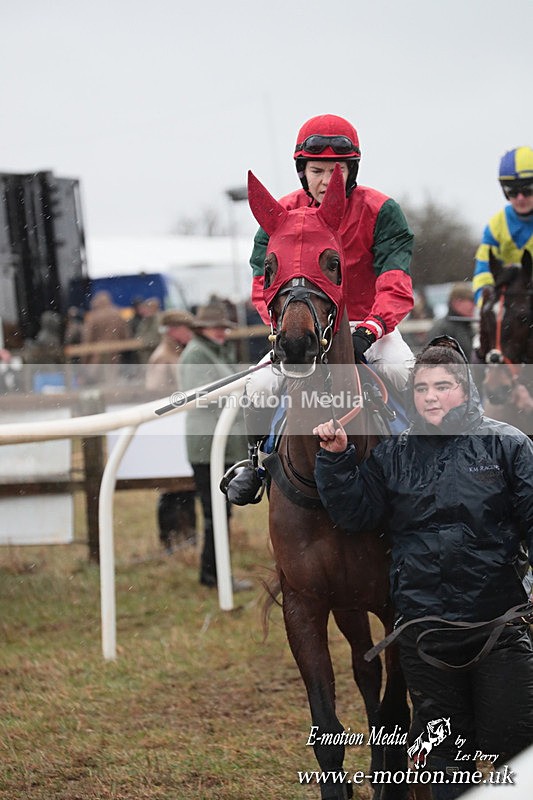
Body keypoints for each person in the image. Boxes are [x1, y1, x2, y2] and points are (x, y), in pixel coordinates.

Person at [313, 336, 533, 796]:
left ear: (466, 389)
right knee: (445, 757)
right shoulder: (392, 454)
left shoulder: (508, 445)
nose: (431, 396)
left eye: (443, 386)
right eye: (422, 388)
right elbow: (356, 514)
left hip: (500, 626)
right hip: (425, 632)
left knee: (514, 746)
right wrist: (336, 460)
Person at [226, 112, 415, 505]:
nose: (328, 180)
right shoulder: (279, 215)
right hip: (306, 326)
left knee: (403, 371)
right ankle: (255, 466)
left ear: (353, 169)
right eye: (317, 170)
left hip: (369, 326)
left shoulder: (382, 211)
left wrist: (369, 331)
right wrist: (285, 330)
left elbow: (394, 283)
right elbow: (265, 287)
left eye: (338, 169)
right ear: (302, 171)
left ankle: (423, 465)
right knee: (258, 384)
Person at [179, 303, 251, 591]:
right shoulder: (197, 353)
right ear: (203, 329)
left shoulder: (212, 351)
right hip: (208, 446)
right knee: (215, 513)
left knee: (219, 512)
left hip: (218, 445)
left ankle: (214, 574)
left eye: (223, 327)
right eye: (217, 326)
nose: (222, 331)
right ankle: (214, 575)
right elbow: (204, 397)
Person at [146, 309, 198, 553]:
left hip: (180, 426)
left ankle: (186, 537)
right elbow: (155, 393)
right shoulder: (163, 358)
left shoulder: (176, 354)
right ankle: (170, 540)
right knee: (171, 488)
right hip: (170, 429)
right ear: (173, 331)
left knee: (185, 486)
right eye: (185, 328)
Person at [473, 146, 533, 307]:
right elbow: (483, 271)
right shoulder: (496, 225)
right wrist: (484, 301)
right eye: (513, 192)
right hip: (511, 310)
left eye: (527, 190)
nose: (520, 198)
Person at [426, 283, 476, 360]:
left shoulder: (468, 327)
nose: (474, 305)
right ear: (457, 303)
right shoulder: (442, 328)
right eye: (471, 301)